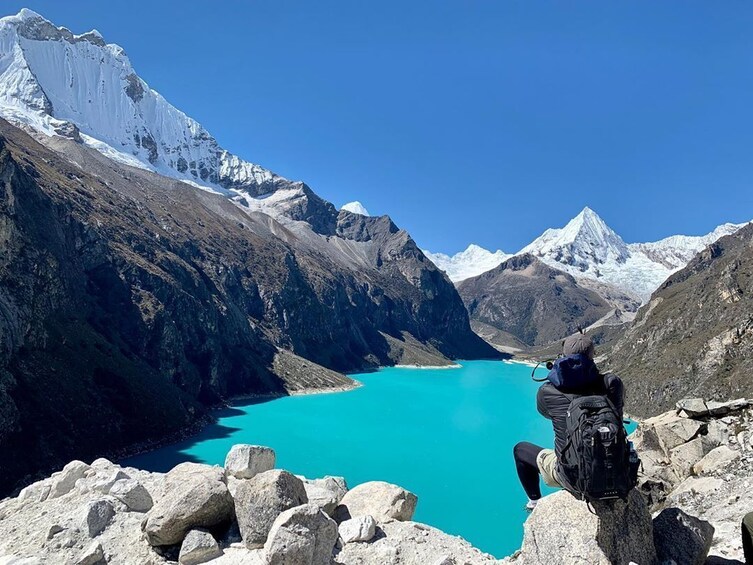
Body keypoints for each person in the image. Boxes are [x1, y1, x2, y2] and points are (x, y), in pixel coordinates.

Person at [513, 332, 625, 510]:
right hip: (617, 470)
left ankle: (534, 501)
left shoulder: (547, 391)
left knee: (520, 450)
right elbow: (618, 412)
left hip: (571, 476)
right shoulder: (612, 383)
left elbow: (546, 413)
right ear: (592, 355)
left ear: (563, 355)